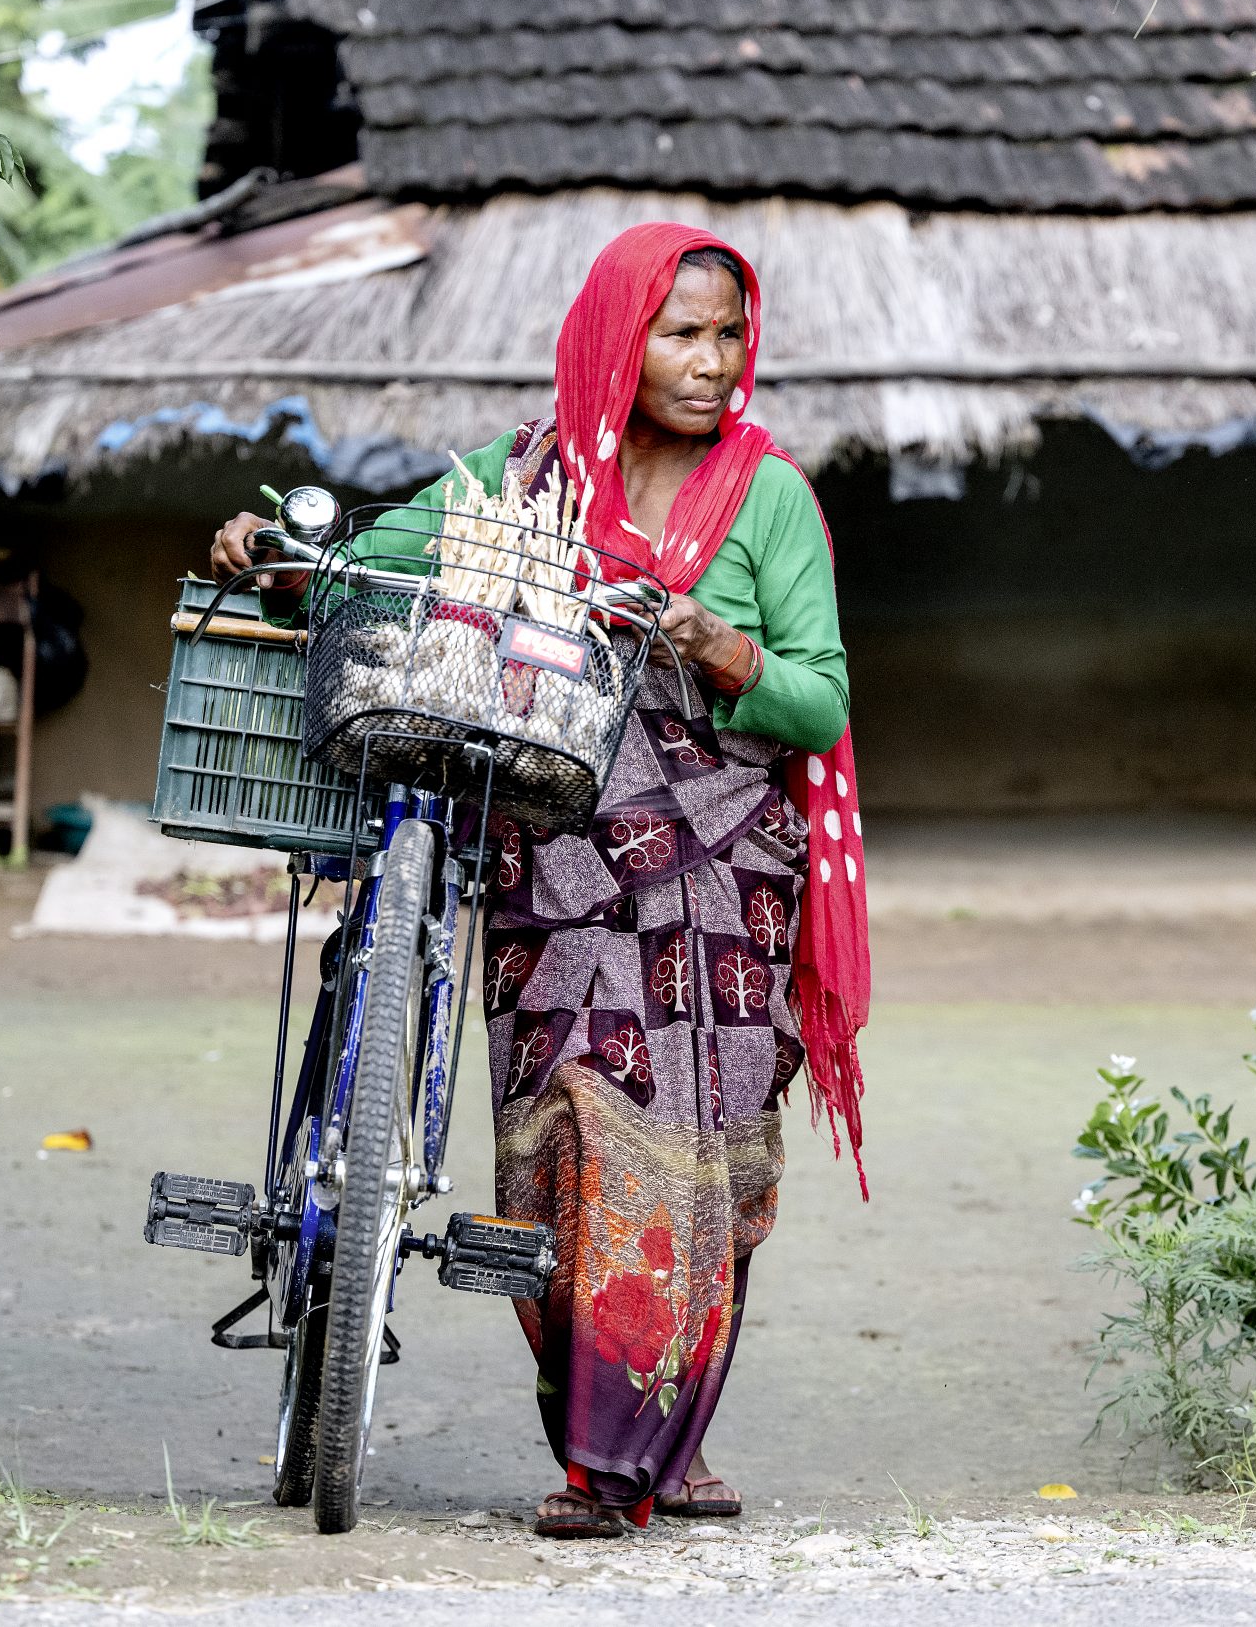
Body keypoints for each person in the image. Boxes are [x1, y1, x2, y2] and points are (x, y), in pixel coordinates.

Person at [207, 225, 870, 1537]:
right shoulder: (525, 478)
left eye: (731, 333)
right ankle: (600, 1457)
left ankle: (661, 1451)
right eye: (682, 332)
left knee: (706, 1170)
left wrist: (724, 647)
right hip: (553, 864)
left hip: (719, 876)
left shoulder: (772, 498)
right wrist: (273, 560)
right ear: (619, 336)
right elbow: (378, 571)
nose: (712, 360)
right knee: (567, 1143)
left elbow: (821, 698)